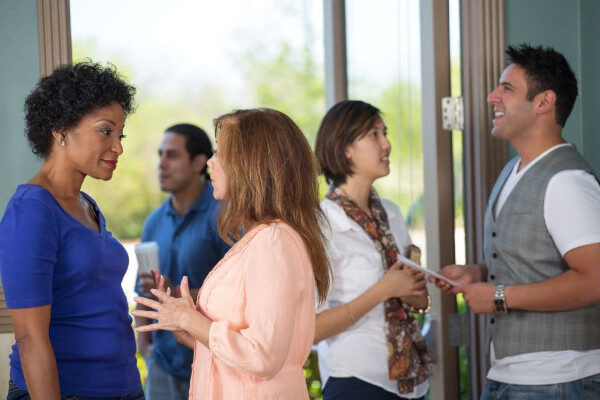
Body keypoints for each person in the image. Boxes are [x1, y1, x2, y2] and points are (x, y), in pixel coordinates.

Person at [433, 44, 600, 399]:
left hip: (559, 382)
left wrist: (498, 296)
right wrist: (478, 273)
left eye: (507, 89)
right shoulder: (514, 169)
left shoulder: (567, 180)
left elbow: (595, 280)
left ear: (544, 103)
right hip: (514, 379)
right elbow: (534, 260)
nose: (493, 97)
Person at [132, 108, 330, 399]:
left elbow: (263, 356)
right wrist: (196, 333)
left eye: (220, 153)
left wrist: (190, 320)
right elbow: (250, 347)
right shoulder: (262, 238)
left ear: (251, 165)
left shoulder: (272, 241)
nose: (211, 162)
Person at [0, 62, 142, 399]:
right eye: (105, 131)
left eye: (120, 135)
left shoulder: (86, 204)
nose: (118, 147)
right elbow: (30, 338)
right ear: (60, 129)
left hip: (123, 386)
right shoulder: (32, 210)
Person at [313, 100, 433, 400]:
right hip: (356, 379)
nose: (387, 144)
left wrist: (415, 291)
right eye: (374, 135)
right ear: (345, 149)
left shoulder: (391, 213)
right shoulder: (322, 224)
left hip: (410, 381)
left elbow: (419, 300)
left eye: (385, 133)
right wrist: (383, 290)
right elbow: (311, 329)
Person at [134, 123, 229, 400]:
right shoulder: (153, 222)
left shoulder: (224, 217)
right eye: (160, 154)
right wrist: (145, 346)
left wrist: (175, 294)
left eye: (172, 155)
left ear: (200, 162)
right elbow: (144, 288)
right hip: (162, 363)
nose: (161, 164)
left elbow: (235, 289)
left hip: (211, 357)